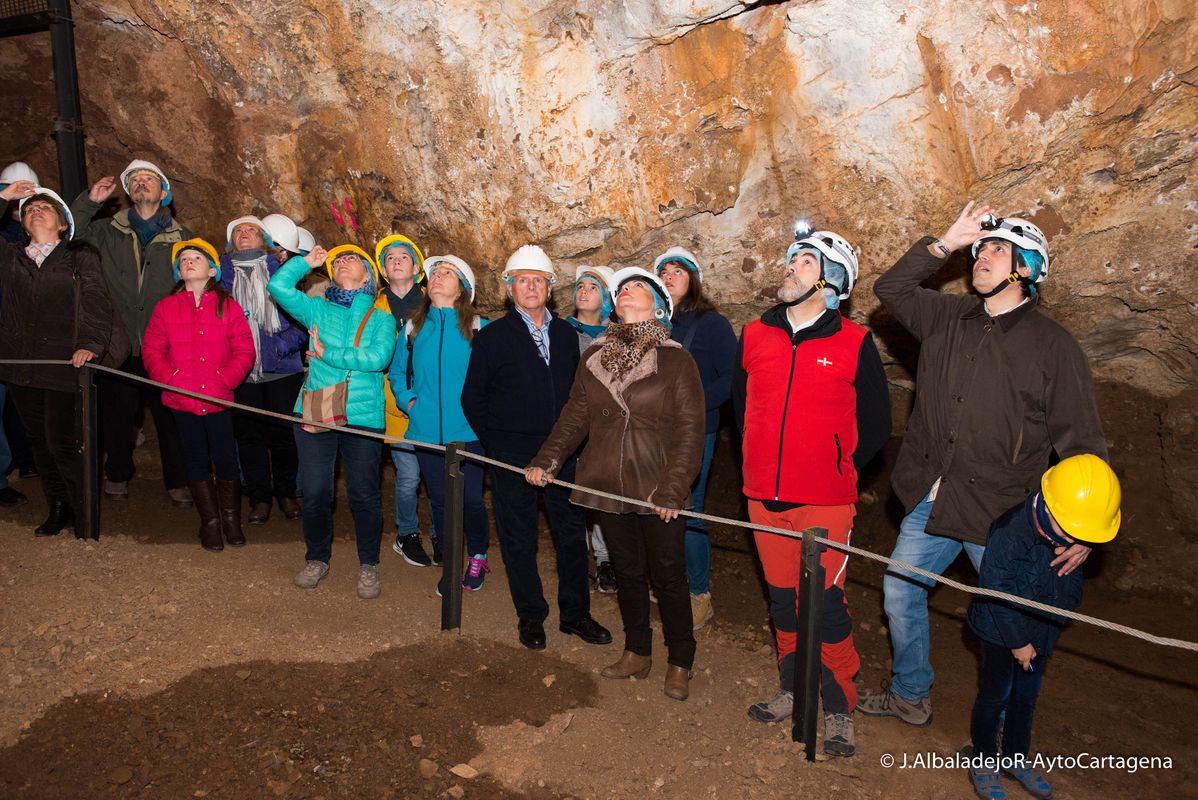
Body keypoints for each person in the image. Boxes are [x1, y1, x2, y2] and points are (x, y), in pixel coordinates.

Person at [860, 202, 1109, 726]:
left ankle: (1003, 727)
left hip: (1001, 513)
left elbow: (1082, 442)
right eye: (982, 249)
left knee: (1009, 622)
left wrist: (1084, 526)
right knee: (901, 590)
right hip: (934, 495)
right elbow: (892, 290)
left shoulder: (1053, 346)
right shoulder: (948, 317)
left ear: (1026, 269)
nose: (983, 257)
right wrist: (944, 244)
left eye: (999, 249)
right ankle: (910, 692)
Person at [733, 228, 891, 757]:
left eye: (804, 261)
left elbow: (875, 424)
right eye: (793, 259)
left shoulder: (854, 341)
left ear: (830, 280)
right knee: (782, 603)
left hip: (823, 503)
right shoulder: (754, 334)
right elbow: (740, 408)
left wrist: (833, 466)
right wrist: (757, 460)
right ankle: (790, 686)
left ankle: (840, 706)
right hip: (762, 499)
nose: (790, 268)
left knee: (825, 607)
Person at [527, 267, 704, 701]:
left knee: (669, 575)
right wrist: (547, 460)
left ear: (659, 305)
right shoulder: (595, 357)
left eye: (637, 286)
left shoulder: (676, 359)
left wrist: (674, 488)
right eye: (621, 288)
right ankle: (637, 651)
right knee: (626, 571)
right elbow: (575, 416)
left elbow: (690, 427)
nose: (626, 291)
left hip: (657, 482)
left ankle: (680, 660)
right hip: (608, 481)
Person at [462, 245, 612, 651]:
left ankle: (575, 614)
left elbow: (580, 398)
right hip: (512, 456)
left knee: (570, 535)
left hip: (564, 454)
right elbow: (473, 398)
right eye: (522, 280)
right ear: (509, 288)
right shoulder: (493, 337)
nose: (531, 286)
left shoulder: (567, 335)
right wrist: (499, 447)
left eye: (539, 280)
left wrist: (572, 446)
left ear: (550, 287)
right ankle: (531, 615)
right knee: (518, 538)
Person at [966, 454, 1121, 800]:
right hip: (1000, 631)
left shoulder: (1073, 535)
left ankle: (1015, 756)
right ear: (1053, 510)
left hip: (1041, 632)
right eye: (1078, 531)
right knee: (995, 695)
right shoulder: (1010, 533)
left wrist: (1056, 617)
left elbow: (1070, 585)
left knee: (1026, 696)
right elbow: (996, 592)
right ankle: (983, 758)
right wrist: (1019, 642)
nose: (1082, 539)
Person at [268, 244, 396, 598]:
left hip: (362, 415)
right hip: (316, 409)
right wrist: (305, 263)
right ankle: (317, 558)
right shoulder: (316, 309)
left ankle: (368, 564)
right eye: (337, 260)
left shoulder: (381, 318)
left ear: (368, 275)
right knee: (315, 492)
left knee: (364, 493)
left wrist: (329, 354)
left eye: (351, 258)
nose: (341, 262)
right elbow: (278, 288)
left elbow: (378, 357)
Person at [71, 161, 193, 505]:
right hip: (120, 339)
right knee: (117, 414)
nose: (141, 184)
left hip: (164, 345)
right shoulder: (108, 230)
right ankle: (117, 474)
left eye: (149, 179)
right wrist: (90, 202)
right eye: (135, 180)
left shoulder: (182, 239)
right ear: (128, 192)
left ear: (163, 192)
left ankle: (178, 481)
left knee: (170, 415)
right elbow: (70, 234)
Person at [0, 182, 113, 535]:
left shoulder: (79, 254)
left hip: (65, 363)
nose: (35, 210)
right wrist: (3, 198)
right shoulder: (11, 256)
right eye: (29, 208)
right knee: (39, 443)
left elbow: (95, 298)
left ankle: (84, 515)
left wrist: (90, 344)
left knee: (63, 443)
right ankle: (58, 507)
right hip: (21, 364)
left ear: (63, 224)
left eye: (45, 207)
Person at [143, 240, 255, 551]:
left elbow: (244, 350)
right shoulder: (166, 307)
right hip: (182, 399)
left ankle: (232, 519)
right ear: (178, 272)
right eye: (184, 260)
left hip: (219, 398)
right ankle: (210, 522)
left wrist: (226, 379)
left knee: (225, 459)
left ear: (212, 270)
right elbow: (152, 349)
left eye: (196, 258)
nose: (189, 263)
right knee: (194, 459)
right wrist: (169, 379)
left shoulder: (228, 306)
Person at [388, 255, 491, 591]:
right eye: (434, 273)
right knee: (441, 501)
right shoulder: (413, 327)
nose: (438, 277)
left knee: (472, 500)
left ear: (462, 290)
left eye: (447, 273)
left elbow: (499, 378)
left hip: (470, 431)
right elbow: (397, 373)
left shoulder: (480, 328)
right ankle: (450, 567)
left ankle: (477, 555)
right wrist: (410, 403)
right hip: (426, 430)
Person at [654, 247, 737, 629]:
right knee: (654, 503)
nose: (670, 276)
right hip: (652, 431)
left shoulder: (711, 324)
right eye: (664, 271)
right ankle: (670, 580)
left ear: (693, 281)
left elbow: (731, 378)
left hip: (693, 431)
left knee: (689, 507)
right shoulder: (649, 322)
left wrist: (695, 407)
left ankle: (699, 593)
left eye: (678, 271)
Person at [219, 215, 307, 524]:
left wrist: (279, 346)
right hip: (240, 369)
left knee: (284, 435)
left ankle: (286, 493)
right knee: (248, 436)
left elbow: (303, 319)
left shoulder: (282, 275)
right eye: (238, 230)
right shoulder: (221, 279)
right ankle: (259, 498)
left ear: (265, 242)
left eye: (251, 230)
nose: (244, 233)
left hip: (282, 368)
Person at [373, 234, 433, 567]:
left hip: (431, 400)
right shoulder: (372, 305)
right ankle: (406, 533)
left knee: (438, 474)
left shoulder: (435, 300)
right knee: (408, 475)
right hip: (392, 402)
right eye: (390, 257)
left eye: (404, 256)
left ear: (416, 268)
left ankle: (439, 532)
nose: (396, 260)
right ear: (383, 269)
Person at [564, 265, 617, 593]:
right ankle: (573, 552)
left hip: (603, 424)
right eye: (580, 286)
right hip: (570, 422)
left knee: (600, 490)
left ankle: (604, 557)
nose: (583, 292)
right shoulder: (561, 331)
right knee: (573, 489)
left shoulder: (616, 335)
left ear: (607, 298)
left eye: (592, 287)